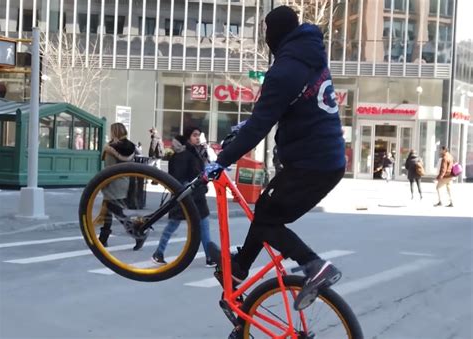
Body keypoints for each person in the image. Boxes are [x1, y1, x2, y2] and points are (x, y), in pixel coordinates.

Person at [205, 6, 346, 312]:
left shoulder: (285, 69)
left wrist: (222, 160)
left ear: (274, 33)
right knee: (266, 208)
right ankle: (240, 268)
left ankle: (314, 265)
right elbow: (285, 108)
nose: (265, 38)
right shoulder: (307, 53)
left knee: (268, 220)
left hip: (311, 164)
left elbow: (260, 125)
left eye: (266, 31)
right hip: (323, 159)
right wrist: (248, 125)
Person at [152, 127, 216, 267]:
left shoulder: (196, 152)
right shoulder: (184, 154)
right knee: (172, 226)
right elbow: (178, 178)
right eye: (194, 135)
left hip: (196, 196)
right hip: (185, 197)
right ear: (188, 138)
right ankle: (158, 253)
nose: (197, 138)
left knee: (204, 227)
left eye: (199, 135)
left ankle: (210, 257)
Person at [98, 123, 147, 250]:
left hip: (112, 183)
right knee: (108, 210)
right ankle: (103, 238)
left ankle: (137, 234)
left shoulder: (111, 149)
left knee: (117, 211)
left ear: (114, 132)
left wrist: (102, 184)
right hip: (124, 182)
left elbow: (109, 169)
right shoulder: (130, 147)